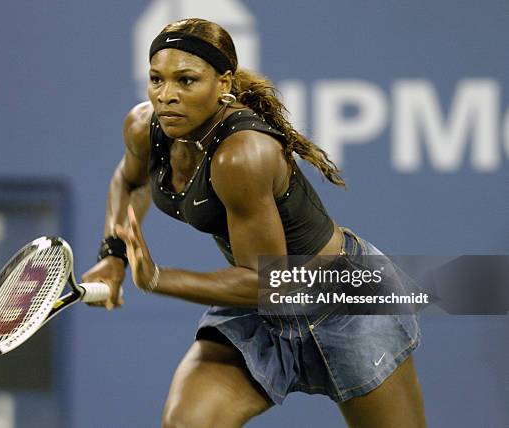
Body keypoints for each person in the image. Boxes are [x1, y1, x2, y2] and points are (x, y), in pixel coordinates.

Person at [82, 18, 426, 428]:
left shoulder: (242, 154)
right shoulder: (145, 128)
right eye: (157, 79)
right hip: (257, 307)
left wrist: (157, 278)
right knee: (188, 423)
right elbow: (129, 181)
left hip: (342, 300)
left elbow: (270, 284)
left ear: (223, 82)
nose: (166, 96)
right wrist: (114, 254)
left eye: (186, 81)